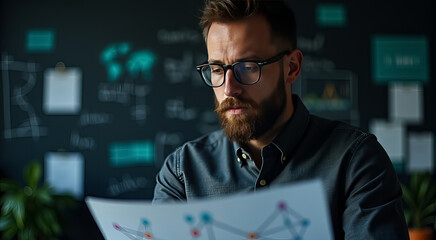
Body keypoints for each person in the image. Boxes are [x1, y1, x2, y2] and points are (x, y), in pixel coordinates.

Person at [153, 0, 409, 239]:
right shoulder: (182, 172)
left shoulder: (356, 161)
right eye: (218, 70)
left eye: (248, 66)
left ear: (292, 67)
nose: (229, 89)